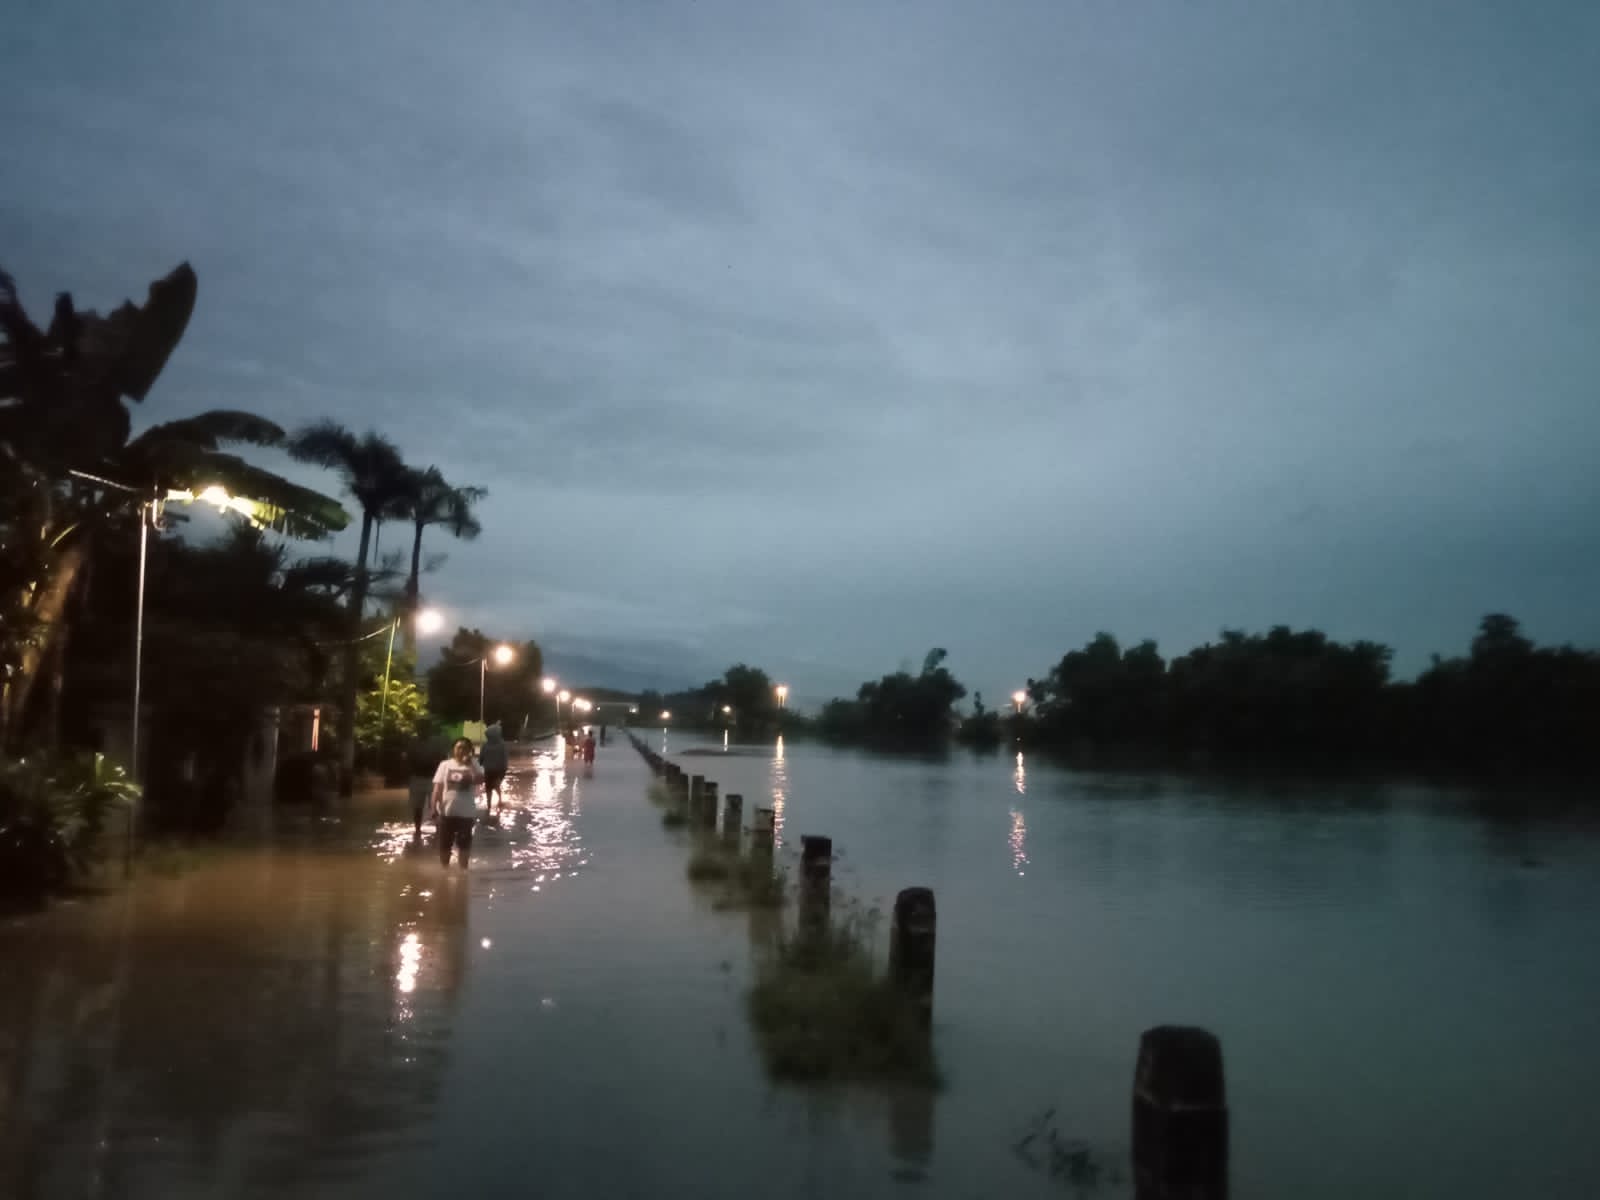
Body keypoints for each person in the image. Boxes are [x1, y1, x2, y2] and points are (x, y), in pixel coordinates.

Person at [431, 738, 483, 868]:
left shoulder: (474, 764)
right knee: (444, 845)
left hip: (466, 814)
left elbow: (480, 780)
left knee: (464, 846)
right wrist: (433, 808)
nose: (461, 750)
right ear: (453, 749)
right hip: (446, 812)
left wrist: (471, 764)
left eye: (464, 748)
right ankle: (444, 872)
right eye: (458, 747)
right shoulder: (445, 765)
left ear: (470, 751)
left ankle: (463, 874)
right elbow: (437, 788)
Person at [406, 730, 448, 839]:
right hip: (417, 777)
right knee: (417, 806)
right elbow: (407, 759)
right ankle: (417, 829)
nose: (422, 729)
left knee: (436, 805)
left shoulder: (436, 743)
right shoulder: (413, 742)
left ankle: (438, 829)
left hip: (432, 778)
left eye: (424, 726)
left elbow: (443, 758)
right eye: (420, 726)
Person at [479, 722, 509, 810]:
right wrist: (479, 765)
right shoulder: (486, 745)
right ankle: (489, 805)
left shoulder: (502, 745)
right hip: (489, 770)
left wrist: (504, 768)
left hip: (498, 770)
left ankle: (499, 800)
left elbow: (505, 758)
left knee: (495, 785)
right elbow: (482, 757)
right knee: (490, 787)